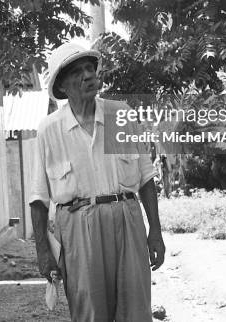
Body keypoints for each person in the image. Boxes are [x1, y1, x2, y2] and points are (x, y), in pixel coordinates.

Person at [29, 42, 165, 322]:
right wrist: (43, 251)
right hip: (78, 226)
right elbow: (39, 198)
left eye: (91, 68)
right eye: (78, 71)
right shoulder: (49, 130)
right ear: (63, 86)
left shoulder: (121, 114)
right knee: (89, 312)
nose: (89, 75)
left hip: (127, 218)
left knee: (136, 310)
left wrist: (156, 232)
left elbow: (146, 179)